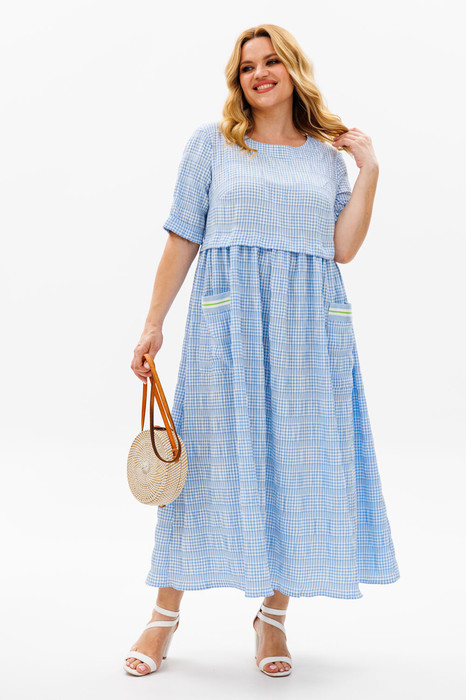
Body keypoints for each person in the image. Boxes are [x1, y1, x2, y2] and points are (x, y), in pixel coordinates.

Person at [125, 23, 400, 678]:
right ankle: (163, 616)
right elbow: (182, 237)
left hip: (310, 331)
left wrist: (369, 170)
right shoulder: (213, 145)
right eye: (247, 66)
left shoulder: (324, 158)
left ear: (293, 70)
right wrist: (153, 323)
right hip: (228, 327)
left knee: (295, 468)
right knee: (201, 469)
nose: (259, 74)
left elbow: (343, 247)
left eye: (271, 61)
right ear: (238, 80)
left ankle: (272, 618)